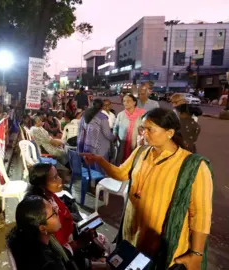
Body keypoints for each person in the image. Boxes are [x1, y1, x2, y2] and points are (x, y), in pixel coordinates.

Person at [81, 108, 213, 269]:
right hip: (133, 233)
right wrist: (100, 161)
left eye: (150, 129)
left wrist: (196, 253)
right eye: (143, 129)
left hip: (161, 242)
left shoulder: (193, 166)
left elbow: (201, 215)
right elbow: (122, 173)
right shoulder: (141, 152)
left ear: (169, 132)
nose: (144, 134)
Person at [6, 195, 79, 270]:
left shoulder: (21, 235)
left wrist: (80, 243)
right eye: (53, 212)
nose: (57, 211)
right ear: (43, 228)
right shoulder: (50, 265)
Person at [77, 99, 115, 169]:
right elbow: (107, 134)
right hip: (100, 150)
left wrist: (80, 150)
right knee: (100, 171)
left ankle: (91, 179)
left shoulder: (84, 116)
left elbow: (80, 134)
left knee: (89, 170)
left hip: (87, 148)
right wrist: (114, 137)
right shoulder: (102, 118)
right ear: (102, 107)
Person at [114, 94, 145, 165]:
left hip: (136, 143)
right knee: (121, 161)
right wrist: (115, 136)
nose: (125, 103)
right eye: (124, 101)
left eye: (128, 101)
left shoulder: (142, 114)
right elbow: (116, 128)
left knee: (135, 162)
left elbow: (146, 128)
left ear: (134, 102)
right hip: (122, 143)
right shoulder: (120, 115)